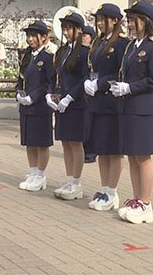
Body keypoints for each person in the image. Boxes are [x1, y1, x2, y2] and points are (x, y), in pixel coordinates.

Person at [111, 0, 153, 224]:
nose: (131, 24)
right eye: (130, 20)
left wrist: (129, 88)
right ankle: (136, 199)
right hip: (128, 107)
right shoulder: (133, 46)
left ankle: (146, 203)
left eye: (135, 19)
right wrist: (120, 87)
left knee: (143, 157)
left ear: (146, 21)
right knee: (132, 155)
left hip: (143, 108)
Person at [83, 3, 129, 212]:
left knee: (114, 149)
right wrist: (89, 82)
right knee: (102, 149)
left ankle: (112, 191)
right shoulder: (98, 42)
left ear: (115, 21)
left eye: (104, 19)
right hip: (98, 102)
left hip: (112, 102)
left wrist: (99, 84)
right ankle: (104, 188)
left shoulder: (121, 43)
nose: (100, 23)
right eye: (98, 19)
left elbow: (121, 73)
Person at [47, 12, 89, 200]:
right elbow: (57, 75)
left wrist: (70, 97)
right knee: (65, 142)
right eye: (64, 28)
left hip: (77, 102)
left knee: (75, 142)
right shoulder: (62, 51)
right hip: (62, 102)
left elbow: (84, 79)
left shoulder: (84, 52)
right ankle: (69, 179)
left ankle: (77, 183)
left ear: (79, 29)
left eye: (70, 28)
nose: (66, 32)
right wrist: (51, 94)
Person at [16, 20, 54, 192]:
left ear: (44, 37)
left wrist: (34, 97)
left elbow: (49, 83)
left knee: (41, 142)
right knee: (29, 141)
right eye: (28, 36)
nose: (30, 39)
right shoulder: (26, 55)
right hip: (26, 105)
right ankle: (33, 171)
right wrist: (19, 93)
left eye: (33, 36)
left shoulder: (47, 58)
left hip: (40, 106)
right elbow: (20, 78)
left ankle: (40, 174)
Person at [81, 25, 98, 164]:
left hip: (94, 89)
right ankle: (84, 149)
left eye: (85, 35)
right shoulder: (81, 51)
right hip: (83, 89)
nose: (83, 38)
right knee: (84, 123)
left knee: (91, 123)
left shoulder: (94, 51)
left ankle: (91, 152)